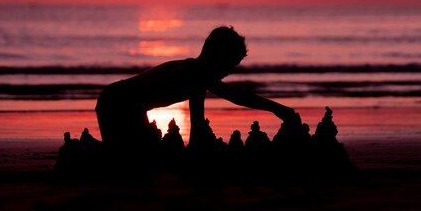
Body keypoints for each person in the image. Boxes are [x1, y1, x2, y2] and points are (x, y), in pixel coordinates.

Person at [95, 25, 297, 153]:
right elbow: (234, 97)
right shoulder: (197, 74)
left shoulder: (196, 72)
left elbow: (201, 121)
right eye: (229, 64)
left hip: (124, 103)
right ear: (217, 57)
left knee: (135, 157)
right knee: (131, 161)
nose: (228, 72)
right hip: (117, 102)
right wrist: (277, 109)